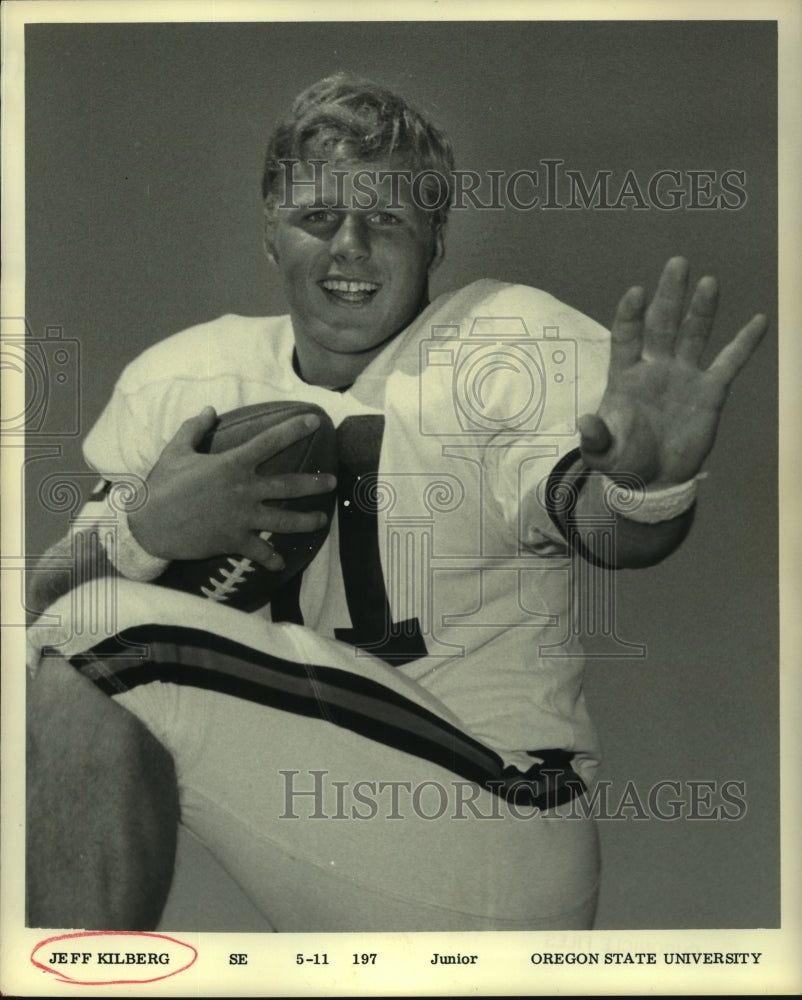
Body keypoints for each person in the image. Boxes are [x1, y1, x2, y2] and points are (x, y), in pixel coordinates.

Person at [25, 74, 768, 932]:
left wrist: (646, 485)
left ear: (435, 237)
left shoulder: (501, 338)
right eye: (317, 218)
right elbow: (51, 604)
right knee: (73, 647)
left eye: (385, 219)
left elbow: (604, 527)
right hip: (329, 818)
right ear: (270, 229)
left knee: (110, 637)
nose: (349, 246)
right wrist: (144, 528)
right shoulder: (189, 373)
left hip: (498, 812)